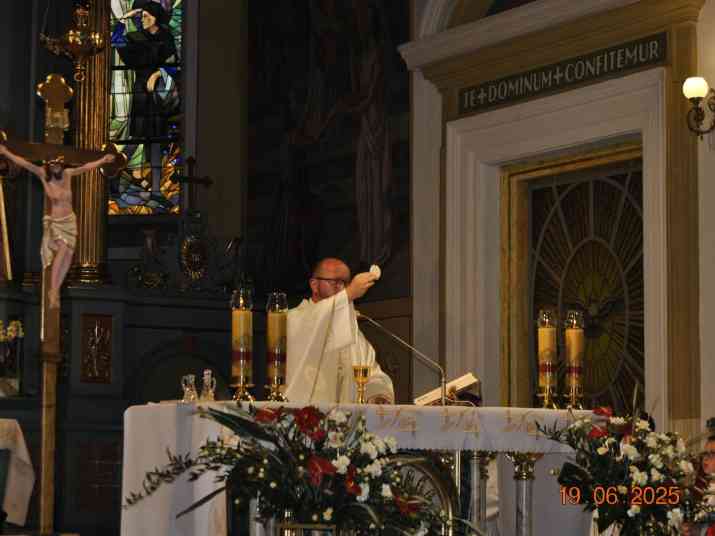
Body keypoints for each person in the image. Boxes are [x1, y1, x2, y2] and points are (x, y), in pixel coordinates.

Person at [0, 144, 114, 308]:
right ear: (49, 165)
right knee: (62, 250)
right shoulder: (42, 173)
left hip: (69, 221)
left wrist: (102, 160)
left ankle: (57, 288)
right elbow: (24, 163)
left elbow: (86, 167)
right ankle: (53, 290)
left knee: (68, 255)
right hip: (56, 222)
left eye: (59, 164)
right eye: (53, 165)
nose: (56, 167)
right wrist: (6, 152)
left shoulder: (67, 174)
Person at [284, 257, 394, 404]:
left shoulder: (353, 334)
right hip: (306, 415)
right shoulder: (296, 319)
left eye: (346, 283)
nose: (342, 289)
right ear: (314, 285)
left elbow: (373, 375)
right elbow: (316, 319)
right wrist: (349, 293)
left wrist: (378, 395)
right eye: (335, 282)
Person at [682, 435, 715, 536]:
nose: (705, 458)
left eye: (712, 454)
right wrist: (694, 530)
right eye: (705, 454)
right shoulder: (704, 488)